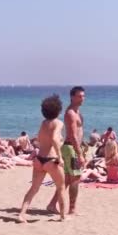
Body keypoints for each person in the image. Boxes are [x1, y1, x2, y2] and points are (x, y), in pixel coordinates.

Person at [18, 94, 66, 223]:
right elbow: (55, 139)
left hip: (39, 159)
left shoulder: (43, 123)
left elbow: (40, 139)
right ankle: (62, 216)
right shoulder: (58, 123)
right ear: (58, 110)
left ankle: (22, 214)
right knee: (61, 187)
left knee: (34, 188)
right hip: (51, 159)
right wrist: (60, 157)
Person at [47, 86, 86, 216]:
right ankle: (72, 209)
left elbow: (79, 133)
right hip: (71, 148)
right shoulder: (70, 113)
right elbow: (73, 135)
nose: (82, 99)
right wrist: (79, 153)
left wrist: (82, 146)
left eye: (83, 96)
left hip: (73, 147)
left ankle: (52, 204)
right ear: (72, 97)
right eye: (79, 96)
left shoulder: (77, 112)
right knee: (75, 178)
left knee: (67, 180)